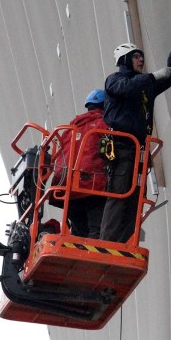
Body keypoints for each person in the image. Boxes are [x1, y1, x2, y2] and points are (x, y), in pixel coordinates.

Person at [100, 32, 171, 243]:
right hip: (121, 148)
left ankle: (125, 243)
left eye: (141, 56)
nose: (141, 60)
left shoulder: (144, 85)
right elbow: (126, 87)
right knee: (119, 195)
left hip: (139, 151)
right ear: (126, 60)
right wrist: (151, 77)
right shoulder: (115, 80)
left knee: (136, 197)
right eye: (136, 56)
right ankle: (107, 242)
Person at [50, 89, 109, 238]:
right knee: (96, 231)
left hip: (67, 187)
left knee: (78, 233)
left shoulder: (69, 130)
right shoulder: (103, 123)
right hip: (91, 186)